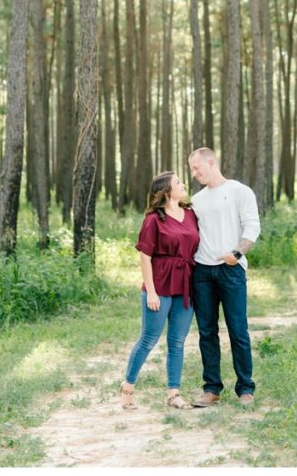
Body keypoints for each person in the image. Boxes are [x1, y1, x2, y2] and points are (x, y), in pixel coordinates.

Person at [120, 171, 200, 411]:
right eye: (178, 182)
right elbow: (145, 258)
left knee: (177, 341)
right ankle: (127, 387)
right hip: (160, 284)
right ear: (165, 191)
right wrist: (151, 292)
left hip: (185, 283)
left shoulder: (190, 214)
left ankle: (174, 394)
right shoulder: (154, 219)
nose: (183, 184)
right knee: (149, 339)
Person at [187, 147, 260, 406]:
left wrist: (236, 254)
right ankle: (212, 388)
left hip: (231, 269)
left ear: (211, 162)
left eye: (197, 168)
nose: (194, 174)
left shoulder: (240, 191)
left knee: (238, 329)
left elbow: (253, 226)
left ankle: (246, 389)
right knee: (207, 331)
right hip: (202, 272)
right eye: (192, 169)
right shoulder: (196, 200)